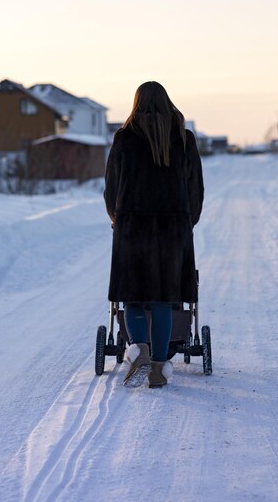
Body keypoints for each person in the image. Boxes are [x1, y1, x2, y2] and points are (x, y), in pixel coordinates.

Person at [104, 81, 204, 388]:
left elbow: (111, 188)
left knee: (133, 297)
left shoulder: (124, 139)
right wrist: (187, 222)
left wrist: (116, 219)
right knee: (164, 299)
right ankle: (160, 367)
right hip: (173, 231)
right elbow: (195, 190)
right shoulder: (184, 139)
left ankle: (141, 351)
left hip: (132, 228)